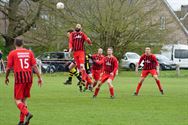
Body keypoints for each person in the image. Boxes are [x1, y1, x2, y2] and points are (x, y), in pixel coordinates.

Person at [5, 38, 42, 125]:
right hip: (29, 78)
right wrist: (39, 77)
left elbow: (8, 68)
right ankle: (21, 122)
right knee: (24, 100)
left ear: (15, 44)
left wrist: (6, 77)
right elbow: (34, 66)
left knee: (17, 100)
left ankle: (27, 114)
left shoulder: (12, 53)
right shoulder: (29, 52)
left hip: (19, 78)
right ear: (23, 43)